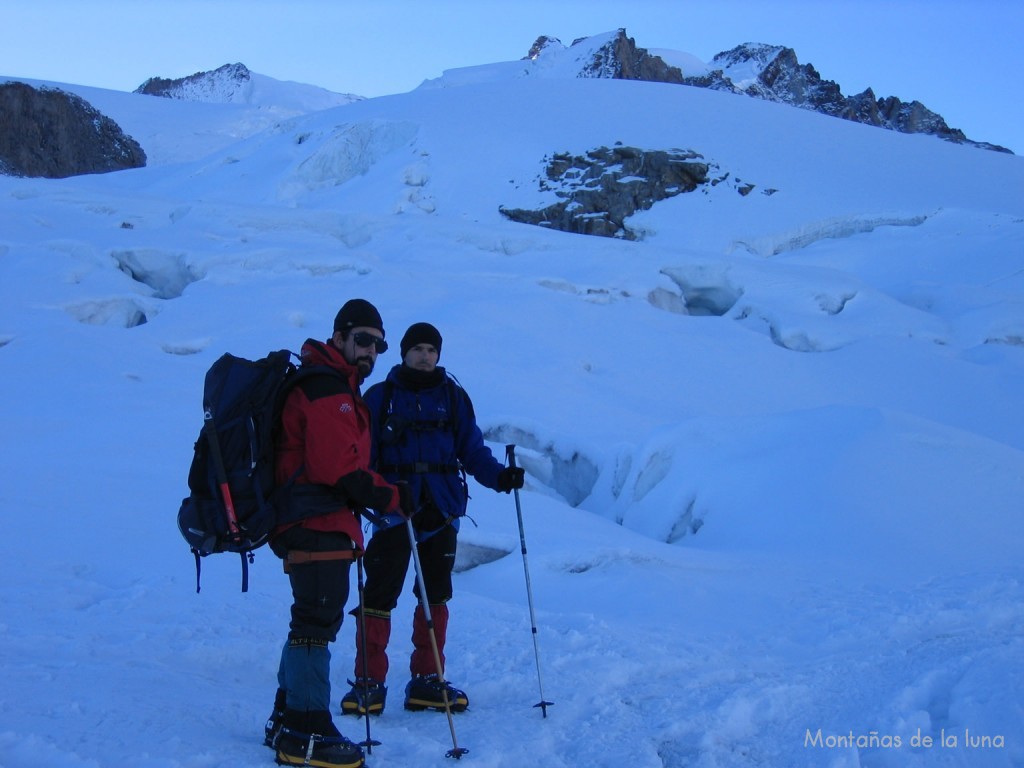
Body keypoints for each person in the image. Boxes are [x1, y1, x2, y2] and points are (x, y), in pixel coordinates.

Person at [340, 321, 525, 717]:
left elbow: (472, 451)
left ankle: (427, 678)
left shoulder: (454, 398)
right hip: (392, 509)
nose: (425, 356)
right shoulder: (380, 397)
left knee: (435, 593)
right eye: (418, 349)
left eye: (431, 350)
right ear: (404, 353)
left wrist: (500, 478)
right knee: (379, 593)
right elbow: (362, 455)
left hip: (440, 509)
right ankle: (369, 681)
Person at [264, 299, 414, 768]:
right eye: (363, 340)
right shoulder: (329, 389)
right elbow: (338, 468)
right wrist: (392, 497)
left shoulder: (331, 384)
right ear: (341, 336)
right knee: (317, 619)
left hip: (311, 520)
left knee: (309, 617)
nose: (371, 350)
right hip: (317, 521)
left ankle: (286, 719)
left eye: (379, 344)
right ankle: (306, 731)